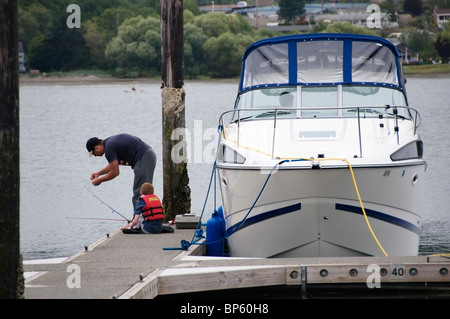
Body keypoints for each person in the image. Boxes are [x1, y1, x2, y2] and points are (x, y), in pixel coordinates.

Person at [86, 133, 156, 209]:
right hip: (148, 155)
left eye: (93, 153)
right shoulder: (109, 143)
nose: (95, 156)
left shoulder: (109, 148)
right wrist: (99, 173)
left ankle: (139, 219)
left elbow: (115, 172)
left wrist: (100, 180)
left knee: (139, 192)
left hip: (143, 158)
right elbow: (113, 165)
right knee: (145, 191)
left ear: (96, 148)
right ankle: (148, 216)